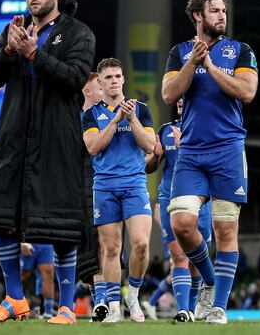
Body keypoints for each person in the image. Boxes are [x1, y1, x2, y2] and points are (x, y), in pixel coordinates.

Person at [0, 0, 96, 325]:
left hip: (57, 138)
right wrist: (10, 52)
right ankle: (15, 299)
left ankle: (65, 307)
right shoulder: (14, 29)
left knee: (61, 223)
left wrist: (34, 54)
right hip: (14, 136)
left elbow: (75, 78)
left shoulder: (79, 33)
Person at [162, 0, 258, 324]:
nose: (221, 16)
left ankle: (218, 306)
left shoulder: (241, 50)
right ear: (198, 16)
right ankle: (211, 281)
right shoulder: (180, 52)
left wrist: (211, 66)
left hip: (228, 150)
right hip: (190, 151)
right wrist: (193, 62)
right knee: (182, 224)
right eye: (214, 11)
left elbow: (246, 92)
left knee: (225, 230)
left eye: (223, 11)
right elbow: (169, 93)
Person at [82, 58, 156, 323]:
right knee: (111, 249)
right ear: (99, 83)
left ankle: (133, 295)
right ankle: (113, 306)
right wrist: (115, 120)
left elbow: (150, 146)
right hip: (105, 186)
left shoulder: (142, 109)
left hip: (135, 183)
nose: (114, 81)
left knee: (141, 243)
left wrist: (132, 119)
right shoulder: (91, 115)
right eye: (108, 78)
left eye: (117, 76)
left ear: (124, 79)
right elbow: (93, 147)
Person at [145, 98, 213, 322]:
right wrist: (155, 155)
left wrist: (184, 147)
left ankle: (195, 306)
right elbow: (149, 168)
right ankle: (184, 310)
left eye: (187, 96)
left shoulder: (206, 128)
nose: (182, 101)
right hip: (168, 196)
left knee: (195, 258)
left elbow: (211, 163)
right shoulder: (165, 130)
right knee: (178, 256)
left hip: (198, 197)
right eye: (179, 99)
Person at [77, 72, 107, 322]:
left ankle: (107, 297)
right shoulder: (73, 121)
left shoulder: (111, 115)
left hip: (110, 183)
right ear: (88, 91)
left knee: (109, 242)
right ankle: (100, 298)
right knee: (91, 243)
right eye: (100, 84)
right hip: (84, 186)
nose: (105, 87)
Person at [19, 242, 55, 319]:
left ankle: (48, 311)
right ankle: (12, 305)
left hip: (46, 241)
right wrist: (22, 242)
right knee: (23, 275)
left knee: (48, 274)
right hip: (29, 240)